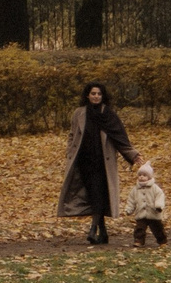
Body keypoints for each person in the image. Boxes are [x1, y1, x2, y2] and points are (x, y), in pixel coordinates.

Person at [57, 81, 137, 245]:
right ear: (87, 95)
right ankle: (104, 233)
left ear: (103, 96)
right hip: (83, 161)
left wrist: (133, 156)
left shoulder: (108, 114)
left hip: (102, 162)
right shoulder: (79, 113)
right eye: (93, 93)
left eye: (99, 94)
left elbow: (120, 137)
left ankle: (93, 230)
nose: (96, 96)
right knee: (94, 196)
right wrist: (70, 151)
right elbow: (72, 134)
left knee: (98, 194)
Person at [127, 160, 168, 247]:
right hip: (141, 213)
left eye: (144, 175)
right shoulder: (135, 189)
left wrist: (158, 206)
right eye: (140, 175)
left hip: (153, 213)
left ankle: (162, 241)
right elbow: (131, 200)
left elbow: (160, 196)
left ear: (149, 177)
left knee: (158, 229)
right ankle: (138, 240)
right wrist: (129, 209)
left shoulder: (155, 188)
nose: (141, 177)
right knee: (139, 228)